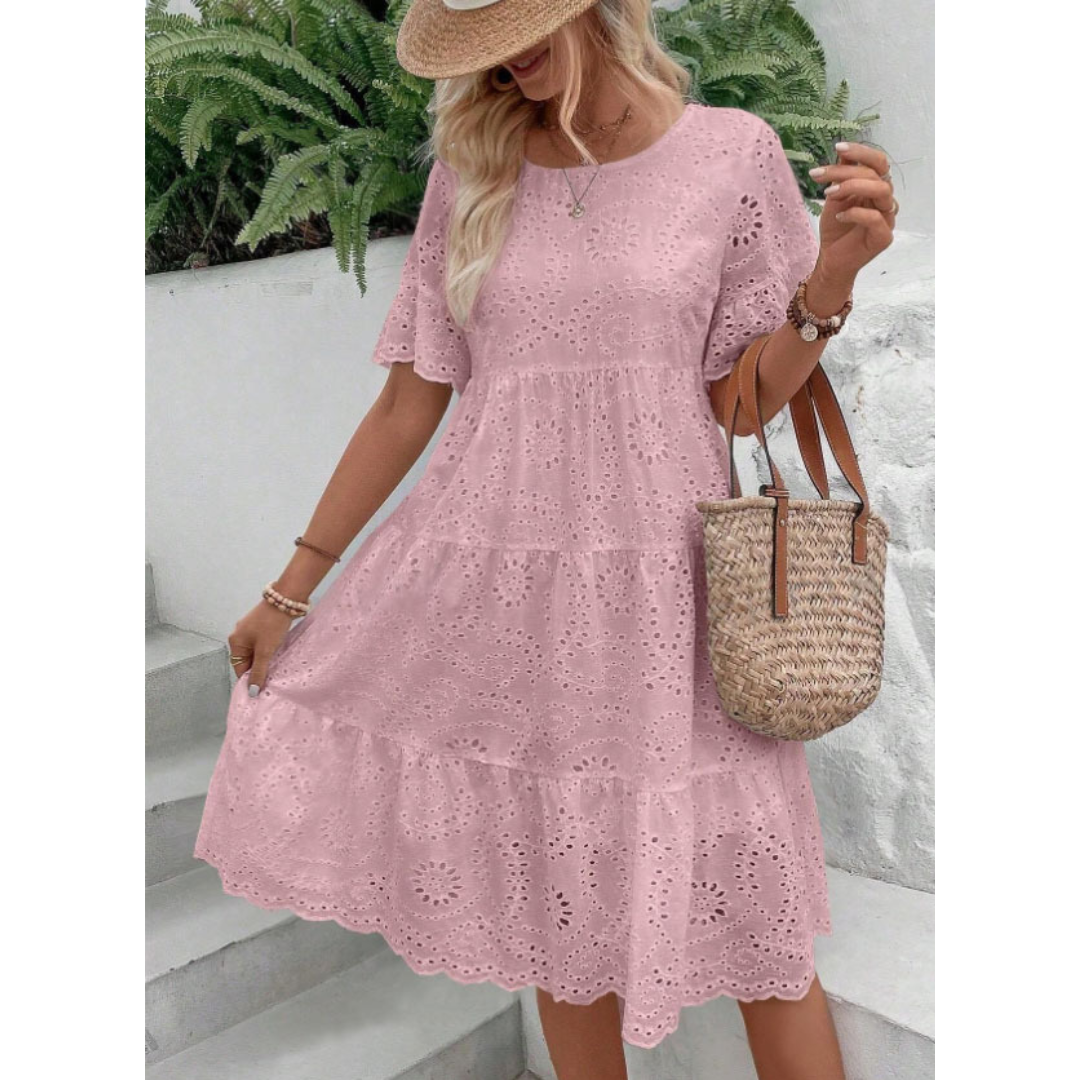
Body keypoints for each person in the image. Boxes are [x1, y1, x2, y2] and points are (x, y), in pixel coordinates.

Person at [195, 2, 897, 1077]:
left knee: (763, 936)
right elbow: (408, 406)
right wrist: (291, 589)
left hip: (673, 595)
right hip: (508, 598)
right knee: (563, 930)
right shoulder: (471, 171)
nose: (506, 52)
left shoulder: (731, 154)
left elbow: (739, 404)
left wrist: (830, 279)